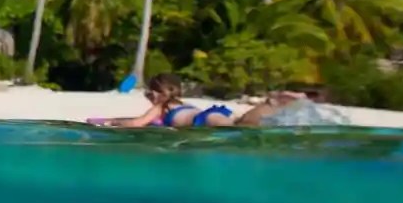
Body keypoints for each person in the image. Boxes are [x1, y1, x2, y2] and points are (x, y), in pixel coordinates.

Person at [93, 73, 314, 128]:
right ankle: (271, 104)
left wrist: (111, 122)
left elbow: (136, 123)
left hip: (201, 120)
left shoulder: (162, 107)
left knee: (240, 127)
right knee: (240, 122)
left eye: (149, 95)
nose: (149, 99)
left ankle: (272, 103)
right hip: (209, 112)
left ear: (157, 94)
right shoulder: (180, 103)